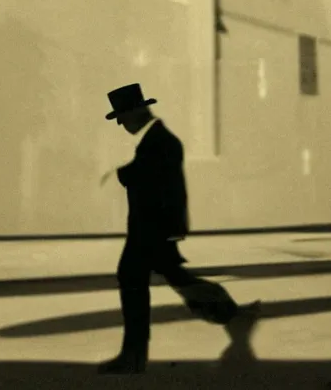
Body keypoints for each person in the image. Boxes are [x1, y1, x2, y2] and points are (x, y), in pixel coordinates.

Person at [98, 83, 256, 375]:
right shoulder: (157, 139)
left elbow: (148, 176)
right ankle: (228, 311)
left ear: (136, 111)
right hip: (155, 228)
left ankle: (133, 356)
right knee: (173, 276)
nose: (121, 123)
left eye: (122, 116)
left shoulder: (160, 142)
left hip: (152, 228)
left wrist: (120, 173)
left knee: (133, 278)